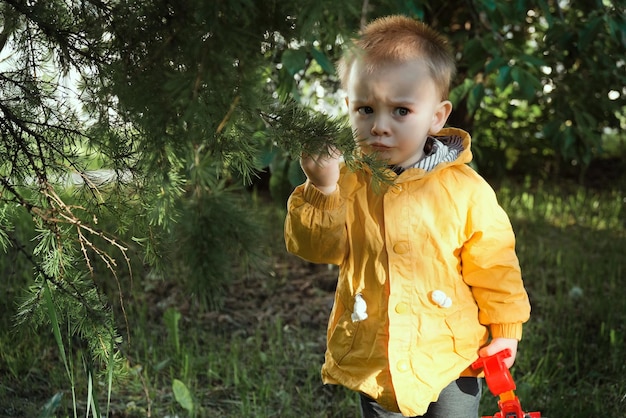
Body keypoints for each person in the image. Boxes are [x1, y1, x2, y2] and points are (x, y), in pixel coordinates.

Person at [284, 15, 531, 418]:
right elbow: (316, 248)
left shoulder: (465, 189)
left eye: (401, 110)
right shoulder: (344, 181)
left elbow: (495, 261)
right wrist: (322, 190)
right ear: (348, 107)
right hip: (376, 352)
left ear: (437, 115)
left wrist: (505, 329)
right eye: (366, 109)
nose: (379, 126)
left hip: (453, 354)